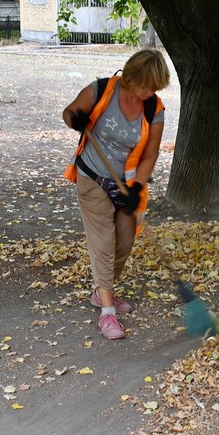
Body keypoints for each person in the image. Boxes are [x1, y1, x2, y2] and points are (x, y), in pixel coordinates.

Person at [62, 48, 170, 339]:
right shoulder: (101, 90)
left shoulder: (154, 109)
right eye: (146, 86)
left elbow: (150, 155)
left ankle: (102, 291)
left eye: (155, 87)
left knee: (124, 242)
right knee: (104, 243)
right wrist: (77, 119)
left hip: (125, 182)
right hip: (92, 176)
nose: (150, 92)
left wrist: (137, 187)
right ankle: (107, 313)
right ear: (132, 77)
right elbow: (68, 113)